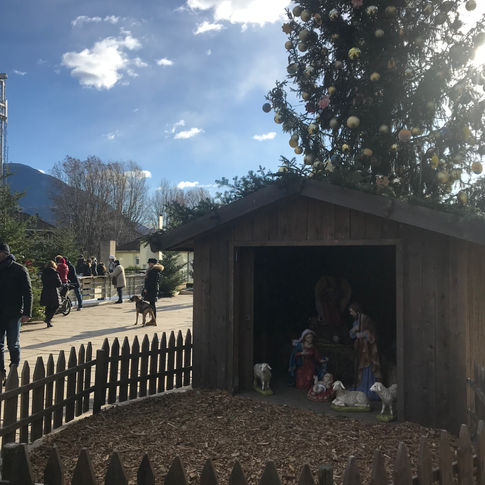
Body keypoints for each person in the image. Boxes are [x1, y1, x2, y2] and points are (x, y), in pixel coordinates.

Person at [0, 242, 32, 384]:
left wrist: (27, 312)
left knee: (13, 344)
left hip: (14, 313)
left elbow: (28, 292)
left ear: (4, 253)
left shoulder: (19, 269)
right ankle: (1, 373)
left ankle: (13, 370)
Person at [348, 302, 382, 399]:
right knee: (360, 367)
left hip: (367, 350)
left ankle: (368, 388)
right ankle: (361, 385)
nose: (350, 313)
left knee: (367, 367)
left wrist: (362, 334)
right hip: (360, 349)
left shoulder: (366, 320)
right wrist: (354, 330)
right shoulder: (356, 321)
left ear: (356, 311)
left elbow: (371, 335)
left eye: (351, 311)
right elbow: (351, 335)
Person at [40, 260, 62, 328]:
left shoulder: (44, 272)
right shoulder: (54, 272)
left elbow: (43, 281)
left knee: (48, 306)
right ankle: (48, 319)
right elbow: (59, 283)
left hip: (45, 290)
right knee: (56, 305)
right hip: (53, 291)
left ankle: (48, 321)